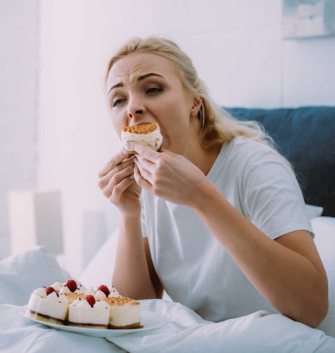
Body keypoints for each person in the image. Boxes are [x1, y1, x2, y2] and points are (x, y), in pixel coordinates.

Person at [98, 37, 328, 327]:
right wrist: (129, 214)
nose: (133, 107)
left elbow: (311, 308)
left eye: (153, 89)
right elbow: (135, 313)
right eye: (118, 100)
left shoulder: (255, 166)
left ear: (195, 101)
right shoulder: (146, 183)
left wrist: (201, 196)